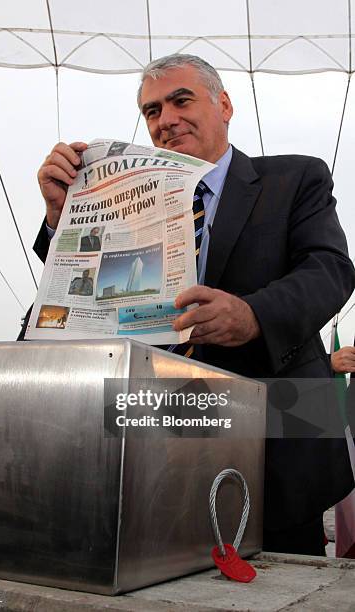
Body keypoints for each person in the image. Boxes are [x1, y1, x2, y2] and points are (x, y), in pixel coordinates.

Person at [26, 53, 355, 555]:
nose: (166, 120)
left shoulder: (295, 178)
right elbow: (80, 294)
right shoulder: (123, 194)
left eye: (181, 100)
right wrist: (62, 218)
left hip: (283, 429)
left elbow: (331, 268)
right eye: (152, 111)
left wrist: (254, 315)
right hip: (157, 437)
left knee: (288, 582)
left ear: (224, 105)